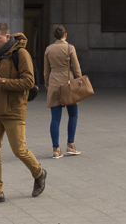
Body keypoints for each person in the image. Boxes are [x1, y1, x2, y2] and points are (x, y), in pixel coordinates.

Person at [0, 22, 46, 207]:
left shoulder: (21, 54)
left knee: (19, 150)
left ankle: (39, 173)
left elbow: (28, 81)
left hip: (14, 110)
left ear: (8, 37)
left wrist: (3, 81)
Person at [44, 24, 82, 159]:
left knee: (55, 118)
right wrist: (79, 81)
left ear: (54, 36)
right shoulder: (69, 48)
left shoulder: (48, 49)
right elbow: (76, 69)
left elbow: (46, 71)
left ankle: (56, 149)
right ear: (65, 35)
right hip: (69, 84)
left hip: (54, 83)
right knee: (73, 115)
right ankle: (71, 145)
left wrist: (47, 84)